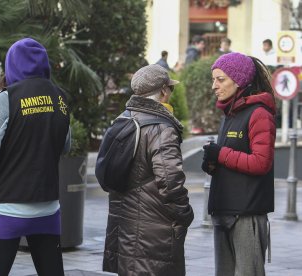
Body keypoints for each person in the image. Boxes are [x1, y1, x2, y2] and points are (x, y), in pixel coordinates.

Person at [0, 38, 71, 276]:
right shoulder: (60, 97)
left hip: (9, 208)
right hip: (48, 207)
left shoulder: (7, 98)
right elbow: (65, 146)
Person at [103, 64, 194, 276]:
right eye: (169, 88)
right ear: (163, 91)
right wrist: (184, 214)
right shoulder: (162, 128)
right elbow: (170, 182)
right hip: (155, 231)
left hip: (125, 225)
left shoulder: (123, 120)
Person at [202, 52, 276, 276]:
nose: (214, 86)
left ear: (239, 80)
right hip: (223, 212)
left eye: (220, 79)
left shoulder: (259, 114)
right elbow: (232, 156)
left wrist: (221, 154)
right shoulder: (228, 114)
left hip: (246, 214)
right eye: (213, 79)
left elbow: (261, 163)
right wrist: (212, 163)